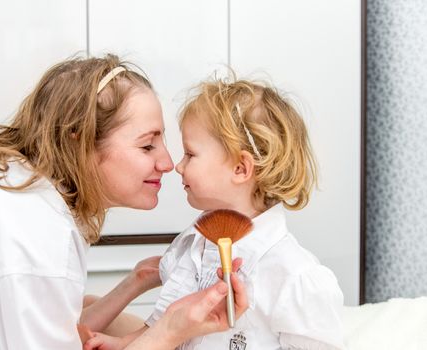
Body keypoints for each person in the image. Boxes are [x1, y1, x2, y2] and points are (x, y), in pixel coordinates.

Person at [0, 54, 248, 349]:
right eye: (147, 146)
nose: (167, 162)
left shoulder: (22, 194)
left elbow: (55, 329)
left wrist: (137, 281)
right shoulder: (34, 234)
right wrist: (170, 331)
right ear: (79, 141)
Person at [85, 76, 345, 350]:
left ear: (240, 169)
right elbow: (163, 325)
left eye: (190, 154)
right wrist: (122, 344)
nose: (177, 166)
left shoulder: (294, 276)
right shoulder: (192, 244)